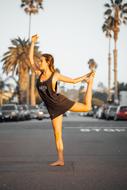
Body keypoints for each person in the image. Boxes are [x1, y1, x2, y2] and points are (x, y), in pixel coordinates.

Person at [29, 34, 95, 167]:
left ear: (48, 62)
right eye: (39, 61)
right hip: (53, 109)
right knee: (57, 134)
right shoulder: (38, 74)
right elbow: (30, 60)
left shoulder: (55, 76)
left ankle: (90, 83)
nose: (38, 63)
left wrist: (86, 76)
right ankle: (61, 160)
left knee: (87, 108)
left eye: (41, 61)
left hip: (61, 102)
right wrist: (32, 43)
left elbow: (73, 81)